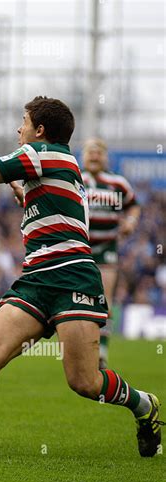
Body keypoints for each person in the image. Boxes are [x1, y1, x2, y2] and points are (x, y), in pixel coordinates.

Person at [0, 96, 162, 457]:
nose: (18, 129)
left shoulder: (45, 154)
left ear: (40, 130)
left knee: (84, 381)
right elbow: (56, 210)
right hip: (36, 280)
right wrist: (26, 193)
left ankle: (144, 405)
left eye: (23, 121)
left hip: (72, 279)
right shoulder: (56, 164)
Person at [82, 138, 141, 369]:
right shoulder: (75, 179)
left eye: (98, 153)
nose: (94, 157)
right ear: (83, 156)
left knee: (104, 302)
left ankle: (101, 354)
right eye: (90, 152)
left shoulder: (118, 183)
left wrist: (131, 221)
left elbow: (134, 205)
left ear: (105, 157)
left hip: (106, 248)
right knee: (77, 300)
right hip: (79, 248)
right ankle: (80, 348)